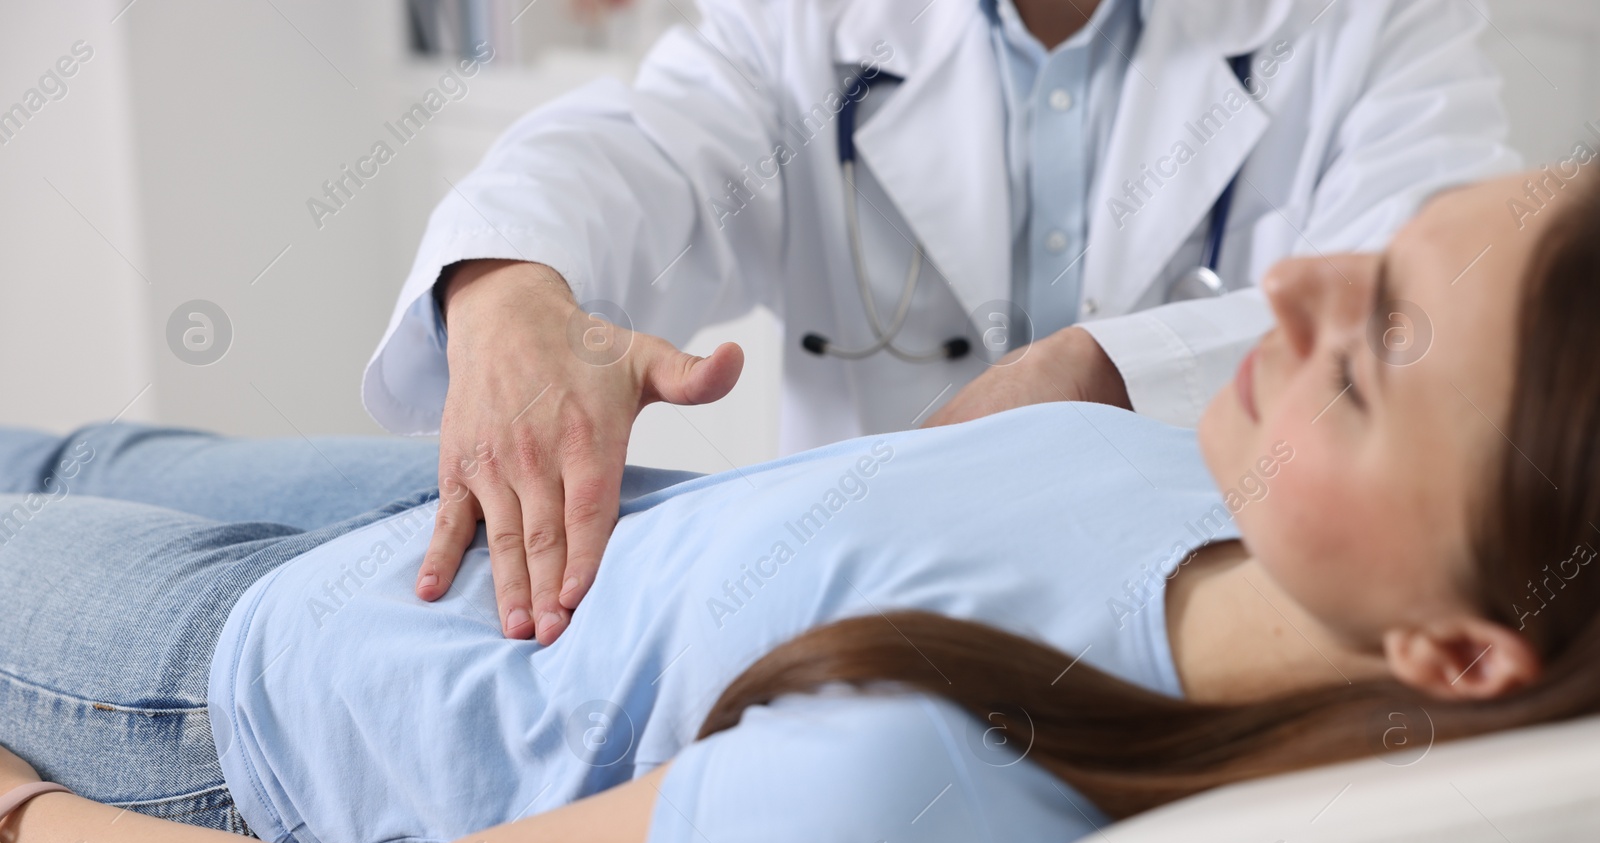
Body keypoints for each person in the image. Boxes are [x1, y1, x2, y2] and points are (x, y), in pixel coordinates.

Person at [1, 166, 1596, 843]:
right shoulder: (1237, 510)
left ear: (1452, 649)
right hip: (458, 520)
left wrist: (16, 831)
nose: (1299, 284)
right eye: (1380, 253)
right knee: (49, 443)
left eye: (1379, 344)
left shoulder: (928, 785)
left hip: (234, 693)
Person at [368, 0, 1519, 646]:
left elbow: (1446, 310)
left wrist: (1105, 373)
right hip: (847, 602)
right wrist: (509, 280)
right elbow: (646, 146)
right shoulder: (811, 24)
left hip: (1165, 621)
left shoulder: (1371, 26)